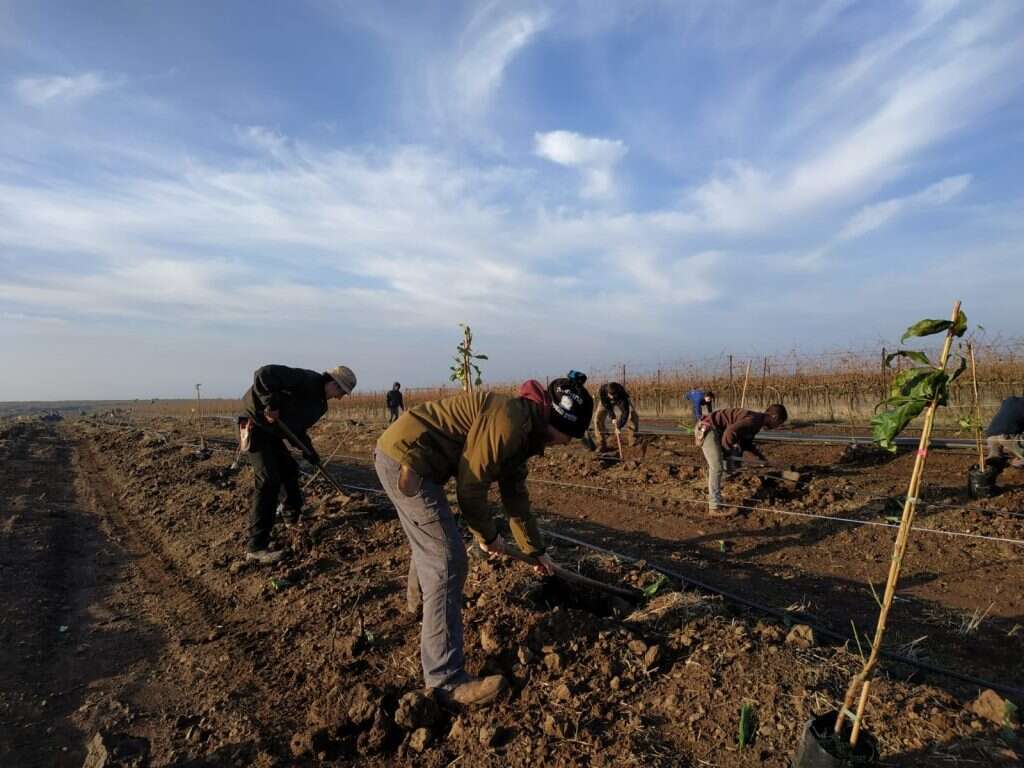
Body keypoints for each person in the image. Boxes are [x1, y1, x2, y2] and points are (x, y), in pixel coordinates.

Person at [375, 376, 593, 707]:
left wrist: (536, 552)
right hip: (406, 461)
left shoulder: (526, 428)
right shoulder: (511, 422)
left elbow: (515, 497)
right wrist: (488, 536)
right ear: (560, 424)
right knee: (448, 559)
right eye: (570, 437)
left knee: (432, 543)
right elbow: (471, 487)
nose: (566, 444)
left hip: (411, 458)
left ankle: (419, 606)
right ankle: (445, 680)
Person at [241, 364, 357, 563]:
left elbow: (296, 429)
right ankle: (256, 547)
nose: (340, 397)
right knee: (269, 479)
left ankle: (291, 518)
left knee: (290, 470)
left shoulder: (320, 405)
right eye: (341, 391)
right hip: (255, 424)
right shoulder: (306, 379)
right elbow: (263, 374)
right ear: (332, 382)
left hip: (273, 433)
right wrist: (271, 404)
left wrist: (309, 451)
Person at [699, 404, 787, 516]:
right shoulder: (753, 420)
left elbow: (747, 445)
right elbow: (730, 432)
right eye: (778, 423)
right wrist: (727, 453)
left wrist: (761, 460)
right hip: (708, 428)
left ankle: (713, 483)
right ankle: (714, 508)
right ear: (774, 417)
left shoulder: (757, 424)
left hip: (717, 431)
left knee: (730, 464)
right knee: (717, 467)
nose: (776, 427)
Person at [593, 381, 639, 451]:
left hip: (620, 400)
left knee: (633, 415)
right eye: (610, 395)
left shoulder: (622, 396)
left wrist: (618, 426)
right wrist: (613, 417)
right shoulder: (602, 390)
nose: (611, 397)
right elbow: (606, 405)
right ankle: (601, 443)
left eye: (613, 395)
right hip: (605, 402)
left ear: (617, 393)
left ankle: (633, 441)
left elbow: (625, 413)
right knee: (597, 419)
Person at [985, 395, 1024, 468]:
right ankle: (1017, 463)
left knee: (995, 458)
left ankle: (993, 465)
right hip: (1007, 436)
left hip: (991, 436)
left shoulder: (1010, 400)